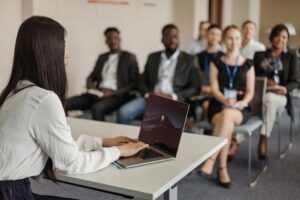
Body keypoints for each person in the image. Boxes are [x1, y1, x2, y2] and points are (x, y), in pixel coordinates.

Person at [0, 16, 148, 200]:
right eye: (63, 47)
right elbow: (71, 162)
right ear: (47, 52)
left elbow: (59, 145)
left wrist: (101, 142)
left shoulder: (17, 90)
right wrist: (118, 152)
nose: (68, 54)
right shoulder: (43, 99)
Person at [199, 25, 255, 188]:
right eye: (230, 38)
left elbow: (250, 92)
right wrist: (225, 101)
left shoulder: (248, 64)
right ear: (224, 40)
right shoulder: (216, 62)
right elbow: (214, 88)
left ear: (241, 40)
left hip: (241, 108)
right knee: (226, 119)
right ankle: (222, 168)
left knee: (229, 115)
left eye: (237, 38)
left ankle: (211, 159)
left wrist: (241, 103)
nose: (234, 42)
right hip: (218, 106)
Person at [117, 24, 201, 124]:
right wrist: (149, 94)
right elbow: (141, 81)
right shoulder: (153, 57)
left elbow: (195, 87)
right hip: (151, 99)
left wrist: (172, 96)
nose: (173, 40)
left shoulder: (189, 59)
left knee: (159, 122)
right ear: (162, 39)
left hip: (175, 101)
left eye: (175, 37)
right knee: (123, 113)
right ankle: (126, 140)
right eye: (169, 37)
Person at [66, 27, 139, 121]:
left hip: (116, 96)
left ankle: (99, 135)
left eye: (115, 38)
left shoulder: (129, 57)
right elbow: (91, 77)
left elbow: (134, 82)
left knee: (97, 108)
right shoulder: (102, 57)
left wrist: (113, 93)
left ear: (120, 39)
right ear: (106, 41)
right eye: (109, 38)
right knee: (64, 103)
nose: (112, 41)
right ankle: (64, 131)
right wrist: (91, 87)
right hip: (97, 93)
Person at [253, 24, 300, 159]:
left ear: (287, 40)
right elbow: (251, 76)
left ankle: (263, 138)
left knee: (269, 99)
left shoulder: (291, 56)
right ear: (272, 37)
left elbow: (295, 81)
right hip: (259, 93)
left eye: (284, 37)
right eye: (277, 36)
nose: (280, 39)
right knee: (261, 101)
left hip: (280, 95)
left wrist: (283, 88)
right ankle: (236, 140)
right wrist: (264, 80)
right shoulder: (259, 55)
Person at [196, 24, 223, 121]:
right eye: (211, 33)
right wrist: (201, 87)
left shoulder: (224, 57)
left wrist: (212, 89)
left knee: (206, 105)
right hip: (200, 91)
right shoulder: (198, 56)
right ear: (206, 35)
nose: (214, 37)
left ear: (221, 38)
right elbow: (194, 77)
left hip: (218, 93)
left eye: (217, 34)